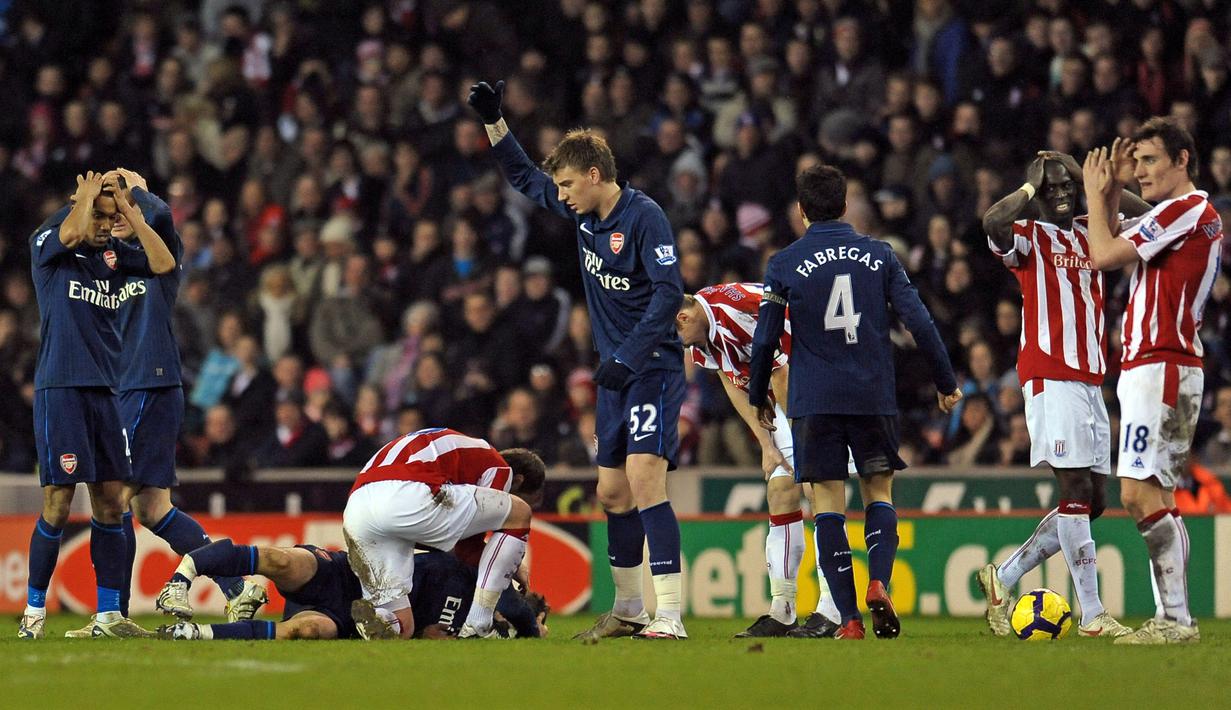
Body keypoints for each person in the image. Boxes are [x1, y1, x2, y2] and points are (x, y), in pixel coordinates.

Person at [471, 80, 688, 639]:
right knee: (611, 492)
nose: (561, 195)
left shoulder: (646, 218)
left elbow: (668, 293)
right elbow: (523, 177)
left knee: (644, 481)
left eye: (568, 184)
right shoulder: (584, 215)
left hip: (652, 367)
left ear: (595, 176)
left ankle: (670, 616)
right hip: (614, 373)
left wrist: (631, 355)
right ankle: (629, 610)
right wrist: (496, 121)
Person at [747, 165, 962, 640]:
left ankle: (847, 620)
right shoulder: (880, 255)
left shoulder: (783, 263)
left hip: (814, 399)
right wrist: (945, 382)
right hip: (872, 394)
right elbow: (920, 323)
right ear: (845, 206)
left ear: (801, 212)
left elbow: (764, 342)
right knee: (878, 494)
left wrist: (759, 393)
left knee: (827, 504)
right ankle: (879, 582)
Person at [977, 151, 1146, 638]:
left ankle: (1003, 577)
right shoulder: (1030, 238)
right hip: (1051, 375)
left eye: (1066, 185)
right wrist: (1032, 187)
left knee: (1093, 501)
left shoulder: (1093, 230)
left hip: (1091, 378)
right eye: (1052, 187)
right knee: (1073, 492)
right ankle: (1092, 614)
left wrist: (1081, 176)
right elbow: (992, 220)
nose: (1062, 192)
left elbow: (1144, 216)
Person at [1081, 119, 1222, 644]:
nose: (1140, 171)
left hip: (1163, 366)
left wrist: (1099, 193)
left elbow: (1103, 254)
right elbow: (1121, 239)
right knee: (1150, 492)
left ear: (1183, 160)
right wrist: (1115, 188)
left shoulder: (1189, 210)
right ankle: (1174, 617)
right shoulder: (1180, 215)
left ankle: (1176, 618)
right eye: (1135, 161)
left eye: (1150, 161)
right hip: (1157, 367)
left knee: (1140, 494)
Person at [21, 171, 176, 639]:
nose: (107, 226)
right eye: (103, 217)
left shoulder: (114, 256)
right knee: (58, 501)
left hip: (108, 392)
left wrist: (129, 210)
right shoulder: (51, 243)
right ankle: (33, 612)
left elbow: (164, 262)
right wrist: (87, 201)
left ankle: (109, 614)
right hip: (62, 388)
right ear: (81, 205)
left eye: (113, 219)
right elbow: (70, 230)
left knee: (111, 502)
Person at [109, 168, 266, 623]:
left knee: (115, 495)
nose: (118, 212)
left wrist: (135, 191)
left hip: (147, 383)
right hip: (131, 388)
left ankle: (112, 614)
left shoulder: (161, 251)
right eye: (112, 208)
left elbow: (160, 214)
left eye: (125, 205)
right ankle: (238, 588)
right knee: (152, 507)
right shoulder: (108, 262)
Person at [155, 462, 549, 641]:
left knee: (307, 631)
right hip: (348, 573)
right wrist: (534, 626)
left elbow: (434, 637)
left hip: (343, 616)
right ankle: (185, 577)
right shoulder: (477, 577)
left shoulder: (470, 632)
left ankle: (197, 633)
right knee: (280, 560)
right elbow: (515, 605)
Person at [675, 283, 847, 639]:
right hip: (784, 395)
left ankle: (833, 609)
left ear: (684, 315)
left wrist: (800, 440)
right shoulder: (703, 332)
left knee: (820, 493)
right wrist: (766, 444)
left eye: (677, 332)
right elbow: (729, 378)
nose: (682, 343)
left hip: (816, 390)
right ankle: (783, 610)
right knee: (781, 492)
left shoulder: (735, 315)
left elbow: (782, 370)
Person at [340, 427, 544, 640]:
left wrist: (502, 562)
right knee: (520, 512)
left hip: (357, 507)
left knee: (403, 624)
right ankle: (478, 622)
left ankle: (382, 620)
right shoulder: (499, 468)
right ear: (518, 481)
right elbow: (467, 551)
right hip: (408, 492)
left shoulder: (460, 455)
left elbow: (446, 543)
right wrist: (509, 567)